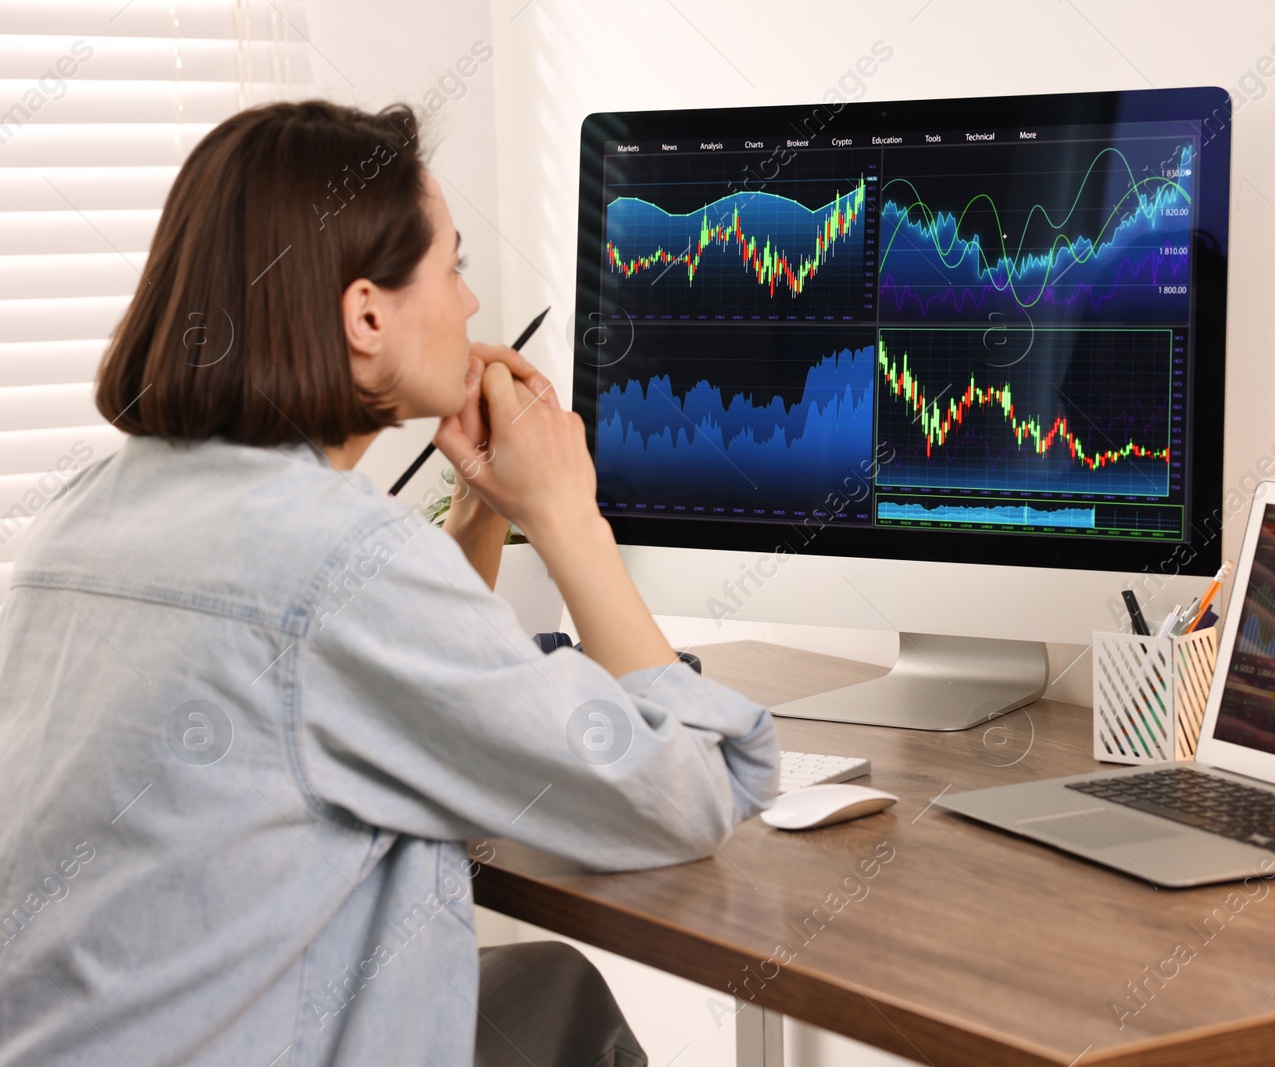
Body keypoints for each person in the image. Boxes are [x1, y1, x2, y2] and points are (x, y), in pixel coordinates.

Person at [0, 99, 778, 1066]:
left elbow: (371, 697)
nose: (469, 305)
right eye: (452, 266)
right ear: (367, 313)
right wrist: (569, 516)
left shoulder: (86, 510)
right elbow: (688, 798)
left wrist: (481, 514)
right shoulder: (337, 560)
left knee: (550, 990)